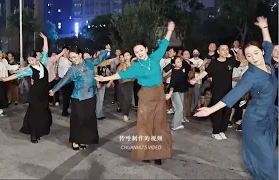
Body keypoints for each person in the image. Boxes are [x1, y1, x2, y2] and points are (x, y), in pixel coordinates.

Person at [194, 16, 278, 179]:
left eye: (255, 53)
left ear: (261, 52)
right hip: (255, 121)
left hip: (269, 117)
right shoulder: (251, 75)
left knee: (269, 156)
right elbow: (234, 94)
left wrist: (264, 27)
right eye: (249, 55)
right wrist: (210, 109)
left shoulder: (267, 61)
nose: (253, 57)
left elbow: (268, 43)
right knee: (266, 159)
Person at [95, 21, 175, 165]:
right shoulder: (136, 66)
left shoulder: (155, 57)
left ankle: (158, 154)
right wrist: (105, 77)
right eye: (136, 52)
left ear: (146, 49)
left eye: (141, 50)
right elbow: (121, 75)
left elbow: (164, 44)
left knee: (159, 125)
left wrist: (169, 30)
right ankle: (145, 153)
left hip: (159, 95)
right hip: (146, 97)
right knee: (145, 126)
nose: (139, 53)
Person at [49, 45, 111, 151]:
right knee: (77, 120)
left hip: (91, 96)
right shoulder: (73, 69)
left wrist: (106, 50)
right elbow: (64, 80)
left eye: (74, 57)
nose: (73, 59)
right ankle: (75, 140)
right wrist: (54, 89)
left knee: (88, 120)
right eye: (71, 58)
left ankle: (83, 139)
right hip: (78, 98)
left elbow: (101, 57)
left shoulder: (90, 62)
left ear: (80, 55)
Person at [2, 33, 52, 143]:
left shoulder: (43, 62)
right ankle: (33, 134)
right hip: (35, 94)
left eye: (32, 60)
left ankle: (40, 130)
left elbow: (45, 50)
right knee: (35, 113)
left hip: (44, 94)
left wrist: (45, 39)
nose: (30, 62)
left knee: (43, 113)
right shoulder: (30, 69)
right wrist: (6, 79)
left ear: (37, 58)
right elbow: (18, 75)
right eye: (28, 60)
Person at [190, 43, 241, 140]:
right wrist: (195, 80)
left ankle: (222, 130)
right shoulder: (214, 63)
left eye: (227, 49)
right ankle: (216, 131)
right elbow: (205, 72)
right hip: (217, 91)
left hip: (229, 91)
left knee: (227, 112)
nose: (225, 51)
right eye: (223, 49)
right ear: (218, 52)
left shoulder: (231, 61)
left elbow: (240, 63)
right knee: (218, 112)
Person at [0, 49, 19, 116]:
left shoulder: (4, 61)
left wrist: (18, 66)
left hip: (4, 80)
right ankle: (0, 110)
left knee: (3, 95)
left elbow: (9, 67)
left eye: (0, 53)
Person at [165, 57, 191, 130]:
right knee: (179, 107)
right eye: (177, 61)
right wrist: (170, 93)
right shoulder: (174, 71)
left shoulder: (183, 69)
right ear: (174, 63)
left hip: (181, 91)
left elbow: (188, 66)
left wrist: (183, 58)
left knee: (180, 107)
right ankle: (175, 125)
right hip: (174, 92)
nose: (180, 62)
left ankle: (179, 122)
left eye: (180, 61)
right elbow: (172, 84)